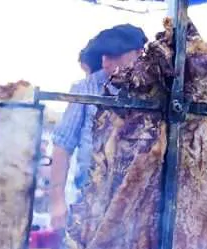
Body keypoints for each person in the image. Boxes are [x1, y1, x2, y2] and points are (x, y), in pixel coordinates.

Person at [50, 24, 148, 229]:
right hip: (89, 204)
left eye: (113, 56)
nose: (105, 63)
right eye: (104, 56)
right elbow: (62, 145)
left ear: (139, 53)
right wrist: (57, 201)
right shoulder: (86, 88)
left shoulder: (154, 92)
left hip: (140, 211)